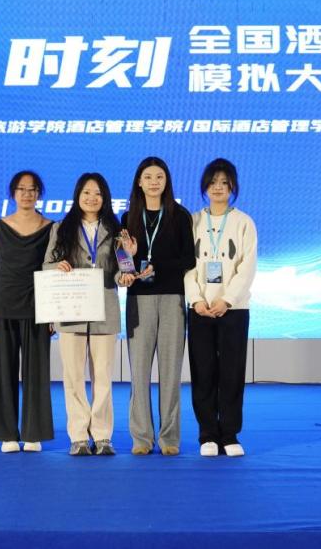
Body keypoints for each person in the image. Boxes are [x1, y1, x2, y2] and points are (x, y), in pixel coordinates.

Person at [43, 173, 134, 456]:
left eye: (97, 193)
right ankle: (79, 435)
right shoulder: (61, 228)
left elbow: (122, 269)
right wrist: (57, 267)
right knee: (72, 376)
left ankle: (103, 435)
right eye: (86, 193)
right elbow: (47, 265)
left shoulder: (116, 230)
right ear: (77, 196)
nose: (92, 198)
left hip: (104, 309)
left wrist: (125, 274)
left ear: (105, 198)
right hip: (72, 309)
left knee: (103, 377)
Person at [121, 157, 195, 456]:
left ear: (167, 182)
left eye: (159, 177)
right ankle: (141, 437)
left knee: (171, 371)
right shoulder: (128, 217)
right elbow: (122, 259)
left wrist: (157, 267)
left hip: (172, 298)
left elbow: (189, 259)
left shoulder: (180, 216)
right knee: (139, 372)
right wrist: (129, 266)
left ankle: (169, 437)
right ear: (139, 182)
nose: (154, 182)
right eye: (148, 177)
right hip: (138, 299)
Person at [184, 158, 257, 457]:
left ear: (232, 187)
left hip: (234, 310)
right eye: (213, 183)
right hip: (200, 309)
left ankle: (229, 434)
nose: (218, 188)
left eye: (224, 183)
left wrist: (227, 299)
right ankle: (207, 435)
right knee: (203, 372)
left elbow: (247, 267)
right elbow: (186, 265)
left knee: (231, 373)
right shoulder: (192, 221)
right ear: (205, 186)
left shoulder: (244, 222)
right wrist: (196, 299)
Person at [0, 171, 54, 453]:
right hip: (2, 305)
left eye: (32, 189)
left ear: (39, 194)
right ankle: (5, 433)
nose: (27, 194)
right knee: (1, 371)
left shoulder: (51, 227)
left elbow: (54, 269)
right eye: (21, 189)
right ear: (13, 193)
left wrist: (54, 312)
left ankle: (34, 433)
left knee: (37, 372)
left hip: (38, 306)